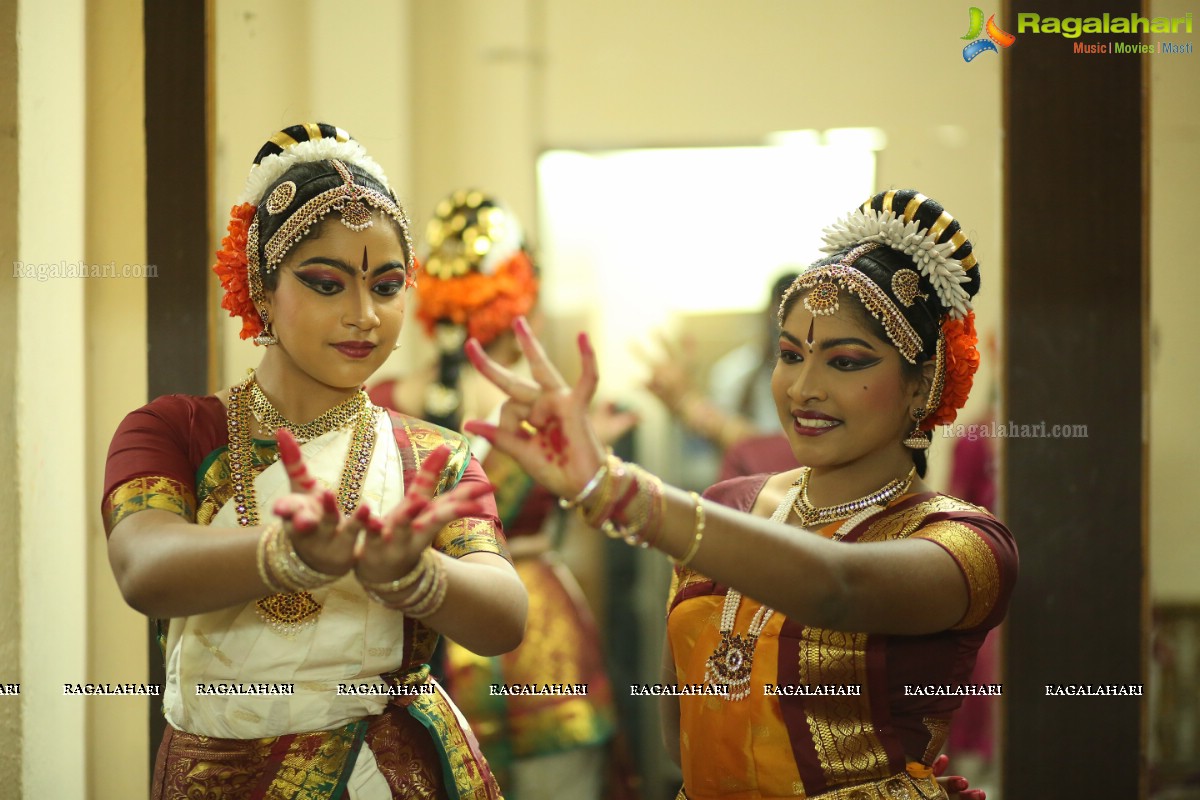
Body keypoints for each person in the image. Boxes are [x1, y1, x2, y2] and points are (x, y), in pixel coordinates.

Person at [463, 189, 1015, 800]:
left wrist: (612, 488)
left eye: (847, 361)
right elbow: (683, 735)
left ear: (922, 386)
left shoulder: (965, 546)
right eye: (790, 354)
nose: (805, 387)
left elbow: (838, 588)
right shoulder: (729, 503)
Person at [102, 124, 527, 799]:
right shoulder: (174, 430)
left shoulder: (433, 455)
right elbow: (143, 570)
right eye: (327, 284)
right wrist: (287, 555)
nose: (364, 316)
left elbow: (504, 617)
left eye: (387, 287)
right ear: (262, 288)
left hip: (383, 775)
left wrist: (419, 576)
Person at [370, 190, 634, 800]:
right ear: (525, 308)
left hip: (428, 635)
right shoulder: (551, 412)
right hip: (525, 631)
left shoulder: (384, 405)